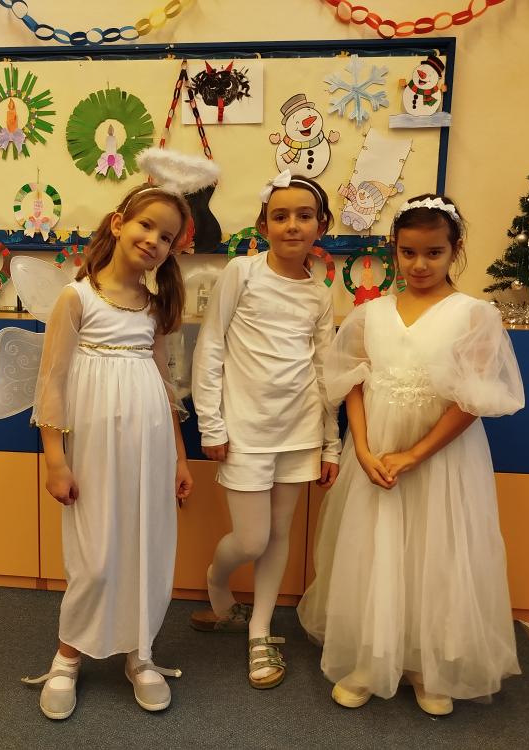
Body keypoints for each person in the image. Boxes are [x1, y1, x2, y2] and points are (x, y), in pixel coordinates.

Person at [297, 194, 525, 716]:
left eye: (434, 253)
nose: (419, 265)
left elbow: (471, 401)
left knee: (435, 554)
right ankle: (370, 658)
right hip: (376, 455)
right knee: (373, 550)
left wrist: (415, 455)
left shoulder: (475, 316)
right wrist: (362, 447)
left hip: (441, 460)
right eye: (408, 252)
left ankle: (428, 664)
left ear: (455, 250)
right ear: (393, 250)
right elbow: (352, 382)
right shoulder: (370, 313)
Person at [21, 183, 194, 719]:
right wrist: (55, 459)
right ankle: (67, 657)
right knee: (95, 558)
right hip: (94, 448)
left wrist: (180, 457)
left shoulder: (155, 307)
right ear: (118, 224)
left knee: (147, 547)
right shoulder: (78, 298)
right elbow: (51, 384)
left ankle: (140, 652)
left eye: (167, 237)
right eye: (146, 225)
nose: (154, 240)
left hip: (151, 447)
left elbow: (165, 384)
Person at [190, 171, 340, 689]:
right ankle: (217, 582)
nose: (292, 225)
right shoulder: (242, 273)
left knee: (278, 535)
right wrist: (211, 423)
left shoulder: (320, 294)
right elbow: (210, 346)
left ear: (321, 225)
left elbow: (325, 370)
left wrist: (331, 444)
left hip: (300, 432)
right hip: (245, 432)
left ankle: (259, 629)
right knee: (251, 538)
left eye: (304, 216)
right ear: (263, 225)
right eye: (281, 216)